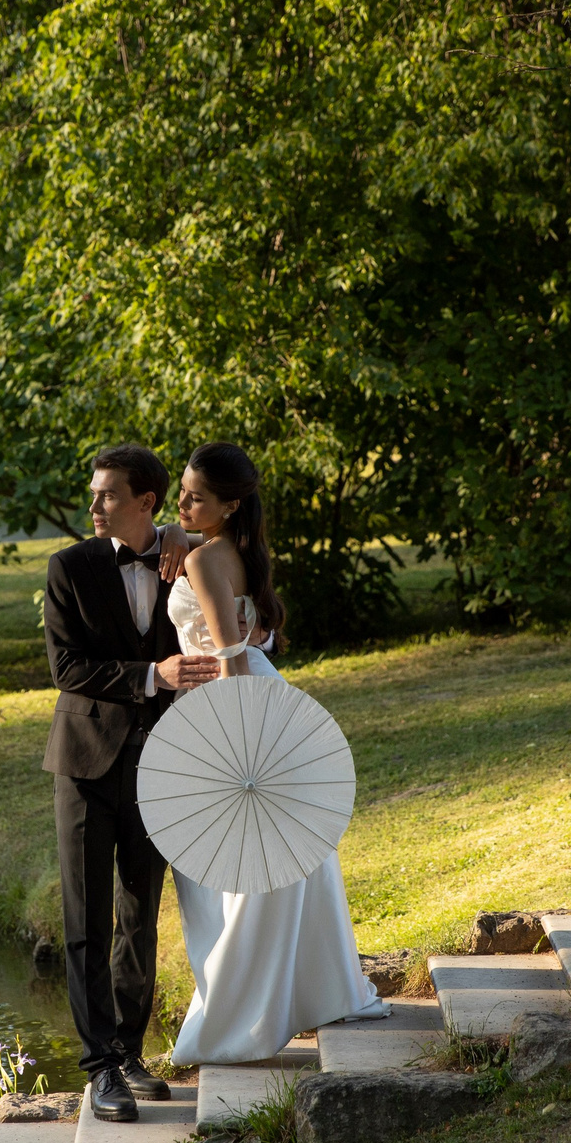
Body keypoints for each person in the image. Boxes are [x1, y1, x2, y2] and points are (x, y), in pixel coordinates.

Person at [162, 441, 387, 1064]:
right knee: (281, 860)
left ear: (229, 505)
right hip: (265, 694)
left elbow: (231, 655)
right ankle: (305, 993)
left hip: (234, 707)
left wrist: (240, 748)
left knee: (234, 871)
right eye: (181, 490)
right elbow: (254, 638)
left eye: (196, 497)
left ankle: (238, 1018)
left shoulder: (205, 561)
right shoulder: (240, 550)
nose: (183, 502)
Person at [41, 445, 218, 1123]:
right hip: (85, 765)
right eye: (94, 492)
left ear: (147, 501)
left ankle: (131, 1050)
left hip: (160, 767)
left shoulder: (183, 557)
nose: (93, 506)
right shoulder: (70, 567)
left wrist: (182, 537)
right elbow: (68, 669)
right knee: (87, 921)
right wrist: (154, 676)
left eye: (109, 494)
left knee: (140, 916)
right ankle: (99, 1069)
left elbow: (240, 560)